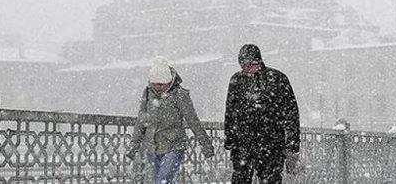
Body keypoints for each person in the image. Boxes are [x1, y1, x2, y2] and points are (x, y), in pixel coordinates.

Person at [127, 56, 214, 184]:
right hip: (152, 147)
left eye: (162, 84)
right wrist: (134, 145)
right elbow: (141, 121)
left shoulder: (180, 95)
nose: (158, 87)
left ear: (169, 81)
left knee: (163, 180)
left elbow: (193, 120)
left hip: (174, 146)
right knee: (161, 181)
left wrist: (205, 144)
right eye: (155, 84)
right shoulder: (147, 93)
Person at [224, 44, 300, 183]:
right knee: (241, 179)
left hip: (271, 143)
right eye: (243, 65)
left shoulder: (277, 79)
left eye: (251, 64)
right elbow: (230, 111)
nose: (247, 69)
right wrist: (230, 138)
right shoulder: (236, 80)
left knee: (270, 179)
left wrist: (292, 143)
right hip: (243, 142)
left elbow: (291, 112)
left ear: (259, 61)